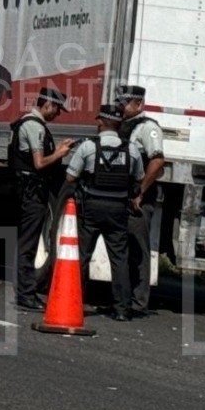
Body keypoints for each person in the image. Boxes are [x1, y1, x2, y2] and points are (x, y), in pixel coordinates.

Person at [66, 104, 144, 322]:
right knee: (119, 258)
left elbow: (71, 177)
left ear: (100, 121)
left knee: (82, 257)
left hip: (91, 207)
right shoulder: (132, 149)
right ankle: (122, 309)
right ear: (119, 123)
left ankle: (74, 303)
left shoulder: (89, 147)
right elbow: (139, 178)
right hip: (118, 208)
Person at [9, 87, 75, 311]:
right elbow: (39, 163)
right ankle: (26, 294)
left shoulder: (28, 123)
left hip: (28, 189)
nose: (58, 114)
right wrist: (59, 153)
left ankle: (25, 292)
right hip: (33, 191)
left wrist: (56, 149)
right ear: (47, 104)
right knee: (28, 243)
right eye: (57, 109)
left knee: (27, 241)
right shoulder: (34, 126)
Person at [117, 84, 166, 316]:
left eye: (125, 102)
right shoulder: (123, 126)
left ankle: (138, 303)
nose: (120, 105)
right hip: (122, 196)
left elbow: (157, 162)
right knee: (122, 249)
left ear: (138, 104)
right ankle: (123, 300)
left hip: (139, 199)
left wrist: (140, 192)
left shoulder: (148, 128)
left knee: (138, 250)